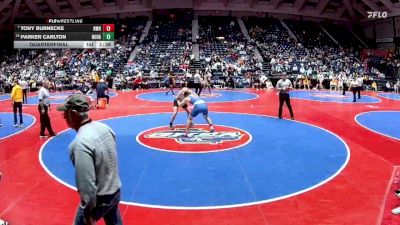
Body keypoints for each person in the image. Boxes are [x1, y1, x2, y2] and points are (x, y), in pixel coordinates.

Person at [56, 94, 123, 225]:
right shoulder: (105, 128)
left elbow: (87, 187)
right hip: (114, 190)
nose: (64, 117)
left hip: (100, 199)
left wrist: (88, 217)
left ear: (74, 113)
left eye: (66, 113)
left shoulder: (80, 144)